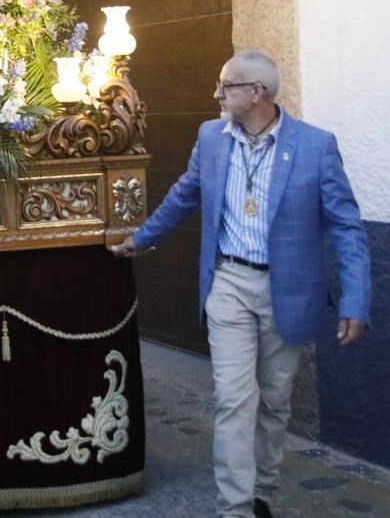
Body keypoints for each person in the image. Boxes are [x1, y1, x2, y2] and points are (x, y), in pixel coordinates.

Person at [110, 50, 371, 518]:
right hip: (227, 280)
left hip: (286, 291)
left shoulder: (315, 146)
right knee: (233, 398)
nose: (216, 94)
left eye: (225, 86)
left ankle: (262, 492)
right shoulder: (211, 137)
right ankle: (234, 508)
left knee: (273, 401)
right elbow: (185, 193)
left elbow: (346, 226)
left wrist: (356, 298)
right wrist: (142, 238)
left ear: (257, 94)